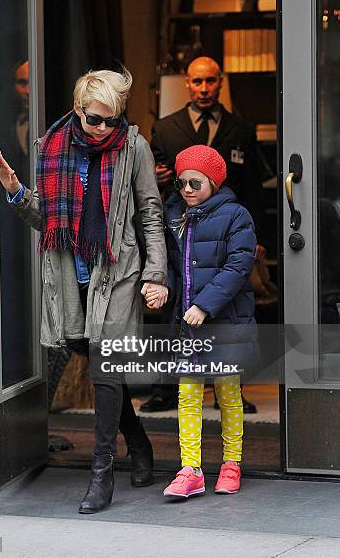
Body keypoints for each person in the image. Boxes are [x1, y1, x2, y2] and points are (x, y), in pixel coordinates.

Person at [0, 66, 168, 514]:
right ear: (78, 109)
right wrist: (14, 191)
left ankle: (102, 471)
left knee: (106, 368)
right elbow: (48, 219)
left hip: (119, 271)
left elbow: (150, 212)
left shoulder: (135, 147)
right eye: (95, 119)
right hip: (73, 276)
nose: (104, 128)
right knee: (94, 359)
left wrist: (156, 274)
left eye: (112, 119)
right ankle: (141, 443)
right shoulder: (51, 147)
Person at [141, 55, 264, 413]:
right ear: (187, 84)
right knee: (176, 308)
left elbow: (252, 183)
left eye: (210, 80)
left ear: (220, 81)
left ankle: (230, 390)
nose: (204, 88)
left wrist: (258, 237)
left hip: (226, 230)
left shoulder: (240, 128)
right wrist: (164, 181)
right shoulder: (164, 128)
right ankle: (165, 389)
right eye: (197, 81)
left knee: (225, 310)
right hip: (179, 228)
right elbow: (150, 181)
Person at [146, 144, 257, 497]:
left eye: (196, 182)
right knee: (188, 393)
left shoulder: (236, 215)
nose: (187, 190)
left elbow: (238, 266)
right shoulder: (175, 214)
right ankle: (190, 468)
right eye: (181, 183)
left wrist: (206, 305)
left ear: (213, 181)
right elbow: (174, 266)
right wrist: (163, 288)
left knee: (228, 394)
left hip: (223, 321)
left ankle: (231, 464)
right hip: (187, 322)